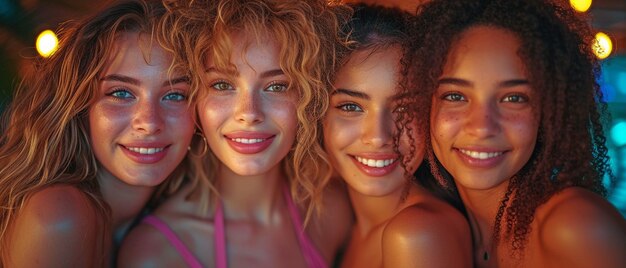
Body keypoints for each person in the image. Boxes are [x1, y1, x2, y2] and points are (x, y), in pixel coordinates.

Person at [118, 0, 353, 267]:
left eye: (276, 86)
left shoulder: (332, 212)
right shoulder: (155, 252)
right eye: (222, 85)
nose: (249, 112)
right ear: (195, 98)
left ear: (308, 98)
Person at [408, 0, 626, 267]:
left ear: (548, 110)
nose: (482, 127)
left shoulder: (578, 227)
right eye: (455, 96)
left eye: (513, 98)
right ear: (423, 104)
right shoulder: (435, 231)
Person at [0, 0, 195, 266]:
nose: (149, 122)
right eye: (121, 93)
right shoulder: (60, 215)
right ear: (81, 107)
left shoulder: (171, 220)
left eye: (175, 95)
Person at [322, 4, 471, 267]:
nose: (379, 136)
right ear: (317, 112)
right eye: (351, 107)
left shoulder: (419, 234)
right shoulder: (339, 221)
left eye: (404, 108)